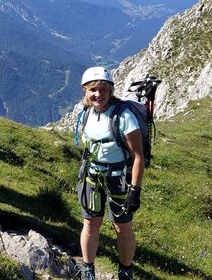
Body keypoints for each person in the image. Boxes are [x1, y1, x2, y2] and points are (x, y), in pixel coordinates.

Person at [75, 67, 144, 280]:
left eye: (103, 89)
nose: (98, 94)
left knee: (122, 228)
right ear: (85, 92)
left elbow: (138, 156)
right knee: (90, 224)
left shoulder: (123, 116)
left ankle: (125, 270)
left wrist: (135, 191)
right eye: (92, 90)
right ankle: (88, 269)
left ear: (111, 90)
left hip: (119, 180)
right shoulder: (86, 114)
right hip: (91, 177)